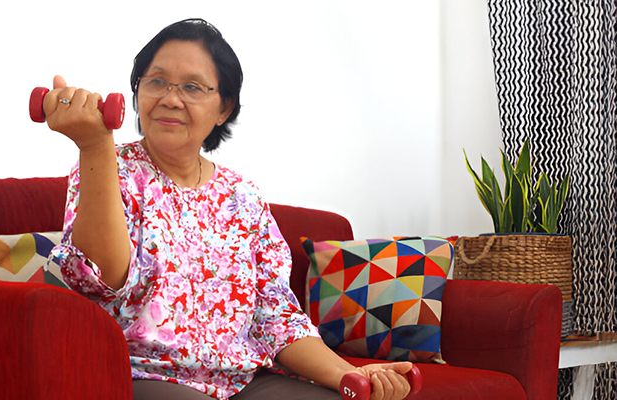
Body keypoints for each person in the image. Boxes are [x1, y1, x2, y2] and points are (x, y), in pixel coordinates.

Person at [44, 18, 413, 400]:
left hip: (240, 380)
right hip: (140, 373)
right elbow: (105, 277)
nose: (171, 98)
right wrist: (94, 146)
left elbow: (276, 317)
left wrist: (348, 375)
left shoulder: (243, 196)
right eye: (156, 82)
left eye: (192, 87)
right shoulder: (110, 168)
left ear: (224, 108)